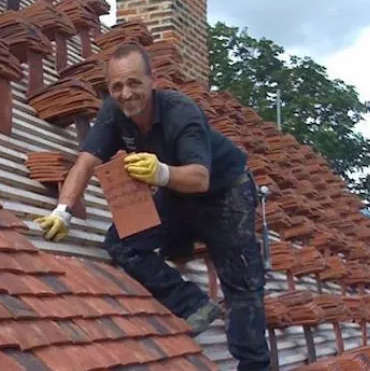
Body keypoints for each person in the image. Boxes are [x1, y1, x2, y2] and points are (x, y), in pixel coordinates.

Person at [35, 42, 271, 370]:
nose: (126, 93)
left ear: (152, 81)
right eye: (116, 86)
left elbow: (200, 178)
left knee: (242, 285)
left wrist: (160, 171)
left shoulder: (181, 113)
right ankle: (193, 305)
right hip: (176, 194)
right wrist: (63, 211)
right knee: (123, 242)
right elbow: (85, 163)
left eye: (134, 83)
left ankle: (253, 364)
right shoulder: (114, 112)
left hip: (224, 195)